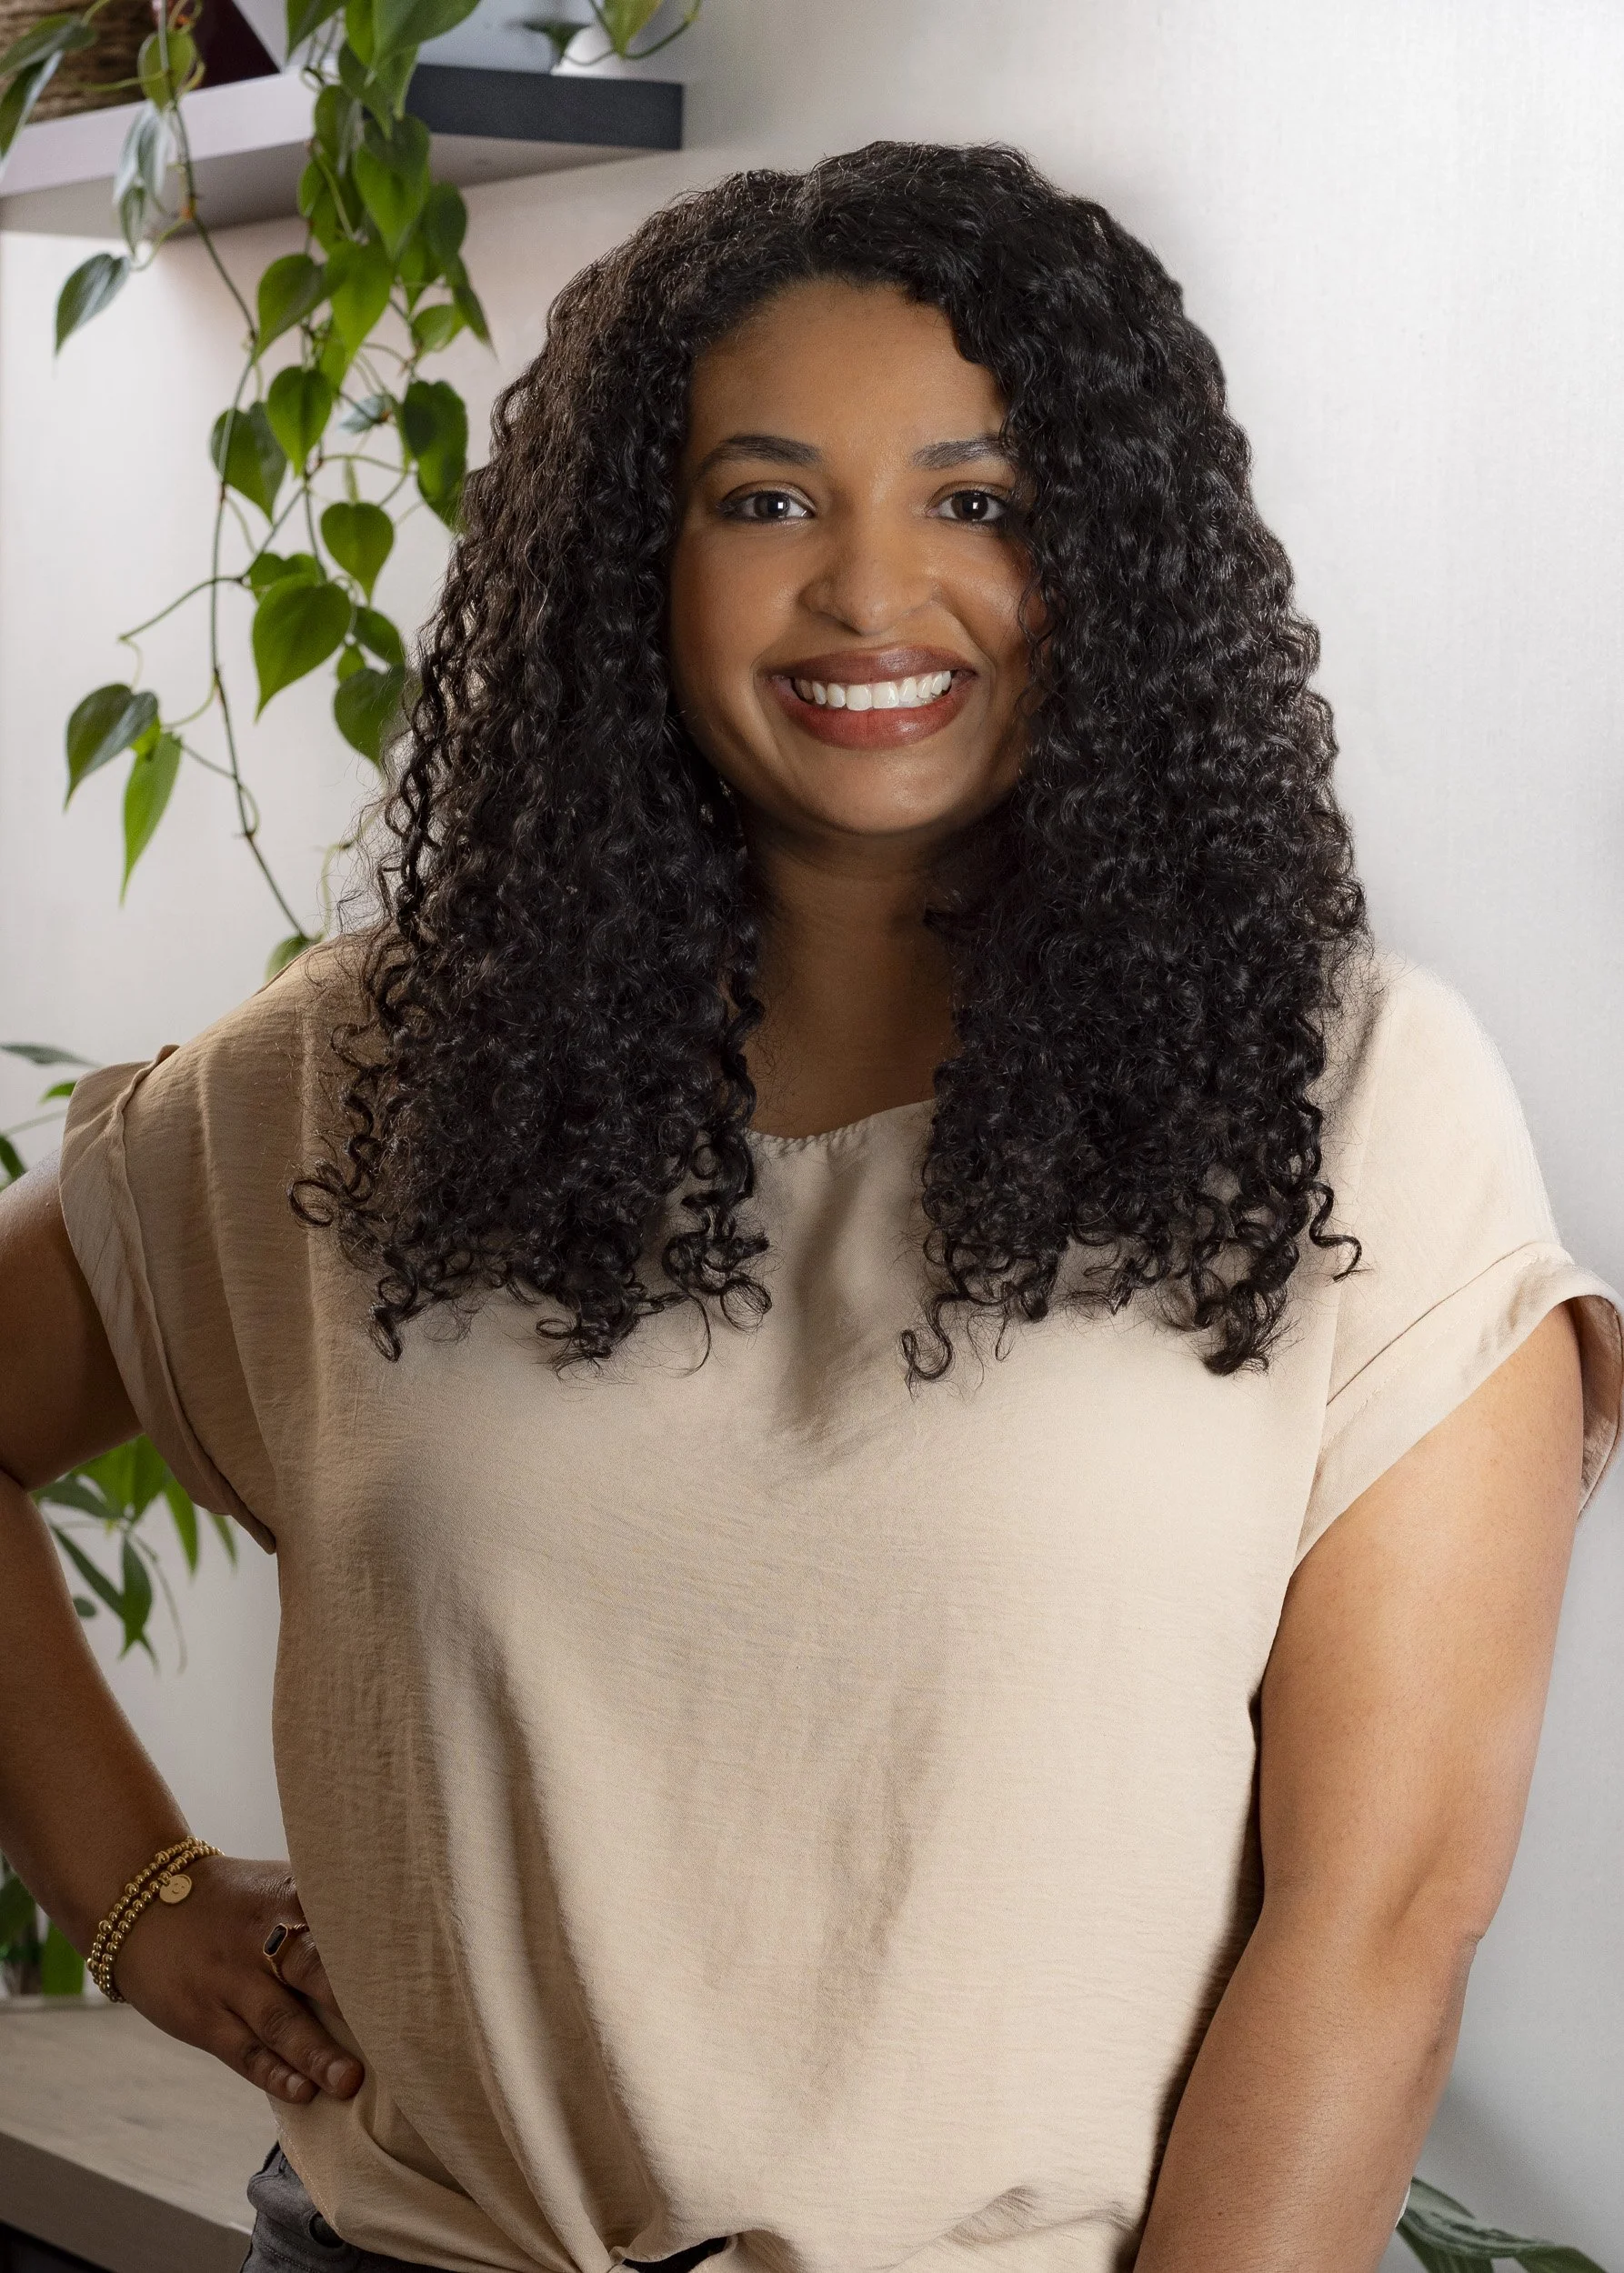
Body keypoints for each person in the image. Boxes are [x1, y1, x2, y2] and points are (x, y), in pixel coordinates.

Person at [0, 142, 1617, 2273]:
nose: (869, 593)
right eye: (765, 502)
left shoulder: (1356, 1108)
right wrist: (133, 1896)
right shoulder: (352, 1080)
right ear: (628, 564)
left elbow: (1382, 1908)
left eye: (978, 502)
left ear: (1111, 561)